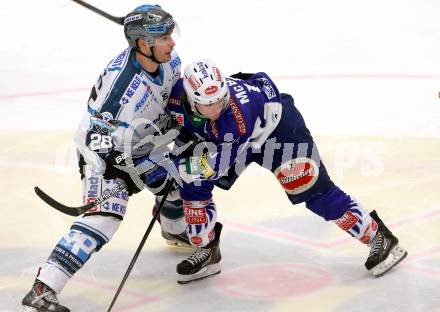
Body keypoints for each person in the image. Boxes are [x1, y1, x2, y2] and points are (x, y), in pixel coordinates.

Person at [166, 59, 408, 284]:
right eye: (208, 104)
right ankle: (206, 249)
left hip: (277, 133)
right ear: (189, 96)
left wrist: (173, 166)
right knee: (193, 186)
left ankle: (378, 237)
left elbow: (214, 168)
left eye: (221, 100)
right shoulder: (176, 96)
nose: (216, 108)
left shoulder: (233, 119)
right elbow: (259, 78)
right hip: (238, 139)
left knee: (309, 186)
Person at [21, 5, 189, 311]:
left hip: (143, 142)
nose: (172, 43)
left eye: (169, 34)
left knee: (179, 178)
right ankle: (43, 288)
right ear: (142, 44)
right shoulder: (122, 91)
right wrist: (123, 173)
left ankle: (175, 230)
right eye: (164, 37)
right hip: (104, 153)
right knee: (104, 218)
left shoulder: (170, 60)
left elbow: (174, 96)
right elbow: (98, 139)